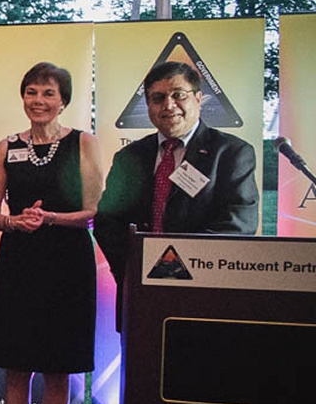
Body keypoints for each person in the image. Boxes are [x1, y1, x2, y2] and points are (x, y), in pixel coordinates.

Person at [0, 62, 101, 404]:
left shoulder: (82, 143)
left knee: (57, 368)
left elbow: (94, 210)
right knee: (16, 367)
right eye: (31, 92)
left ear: (63, 99)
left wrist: (50, 218)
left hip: (67, 262)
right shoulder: (6, 147)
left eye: (48, 93)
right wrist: (14, 222)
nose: (38, 100)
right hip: (19, 261)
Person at [95, 60, 258, 324]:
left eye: (178, 95)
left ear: (198, 98)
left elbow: (238, 224)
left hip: (205, 295)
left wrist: (174, 267)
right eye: (157, 98)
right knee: (139, 364)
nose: (168, 105)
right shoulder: (129, 157)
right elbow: (106, 221)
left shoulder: (231, 153)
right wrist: (137, 268)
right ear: (148, 106)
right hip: (139, 293)